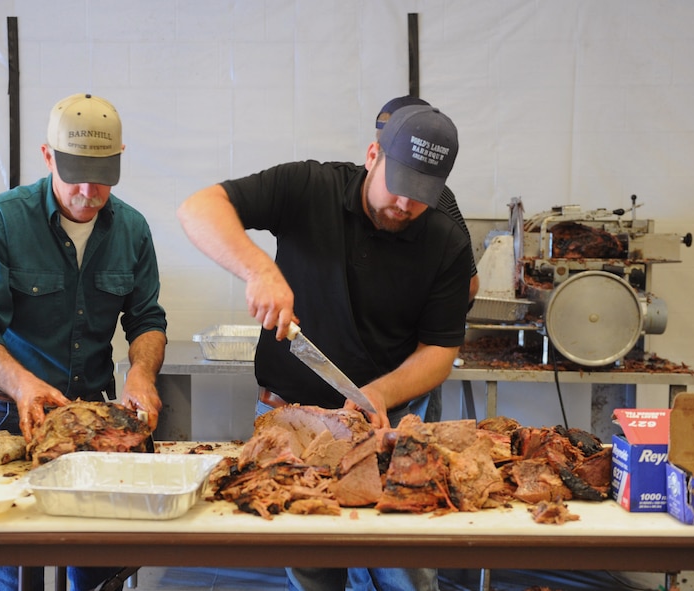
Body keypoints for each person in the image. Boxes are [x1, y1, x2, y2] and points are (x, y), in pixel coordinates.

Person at [177, 104, 472, 591]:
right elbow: (198, 208)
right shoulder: (308, 188)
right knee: (313, 567)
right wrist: (259, 271)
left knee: (405, 572)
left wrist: (377, 393)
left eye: (422, 195)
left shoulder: (446, 242)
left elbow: (438, 350)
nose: (405, 205)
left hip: (386, 425)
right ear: (373, 154)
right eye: (398, 185)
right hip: (290, 423)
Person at [0, 93, 168, 591]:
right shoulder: (1, 222)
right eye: (76, 174)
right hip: (7, 414)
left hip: (93, 416)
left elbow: (146, 318)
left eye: (103, 176)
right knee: (15, 566)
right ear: (48, 157)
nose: (90, 191)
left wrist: (140, 372)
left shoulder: (132, 229)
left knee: (95, 567)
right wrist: (25, 385)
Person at [374, 95, 480, 425]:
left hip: (409, 375)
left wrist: (425, 325)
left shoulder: (438, 202)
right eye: (380, 129)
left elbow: (470, 284)